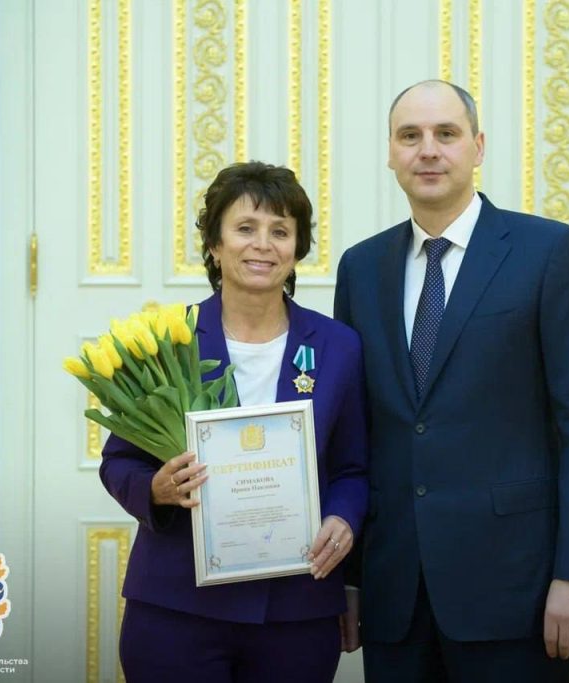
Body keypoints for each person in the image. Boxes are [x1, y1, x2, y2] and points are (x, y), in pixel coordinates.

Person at [334, 80, 569, 682]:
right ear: (390, 153)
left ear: (478, 146)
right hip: (395, 593)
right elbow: (355, 433)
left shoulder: (550, 251)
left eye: (446, 133)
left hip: (516, 588)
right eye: (409, 136)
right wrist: (352, 577)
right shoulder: (361, 267)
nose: (428, 150)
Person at [100, 161, 368, 682]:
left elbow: (353, 468)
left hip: (297, 610)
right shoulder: (167, 339)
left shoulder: (339, 346)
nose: (262, 245)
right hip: (177, 606)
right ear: (215, 244)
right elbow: (119, 462)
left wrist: (343, 518)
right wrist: (156, 489)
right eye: (245, 228)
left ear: (297, 248)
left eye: (280, 231)